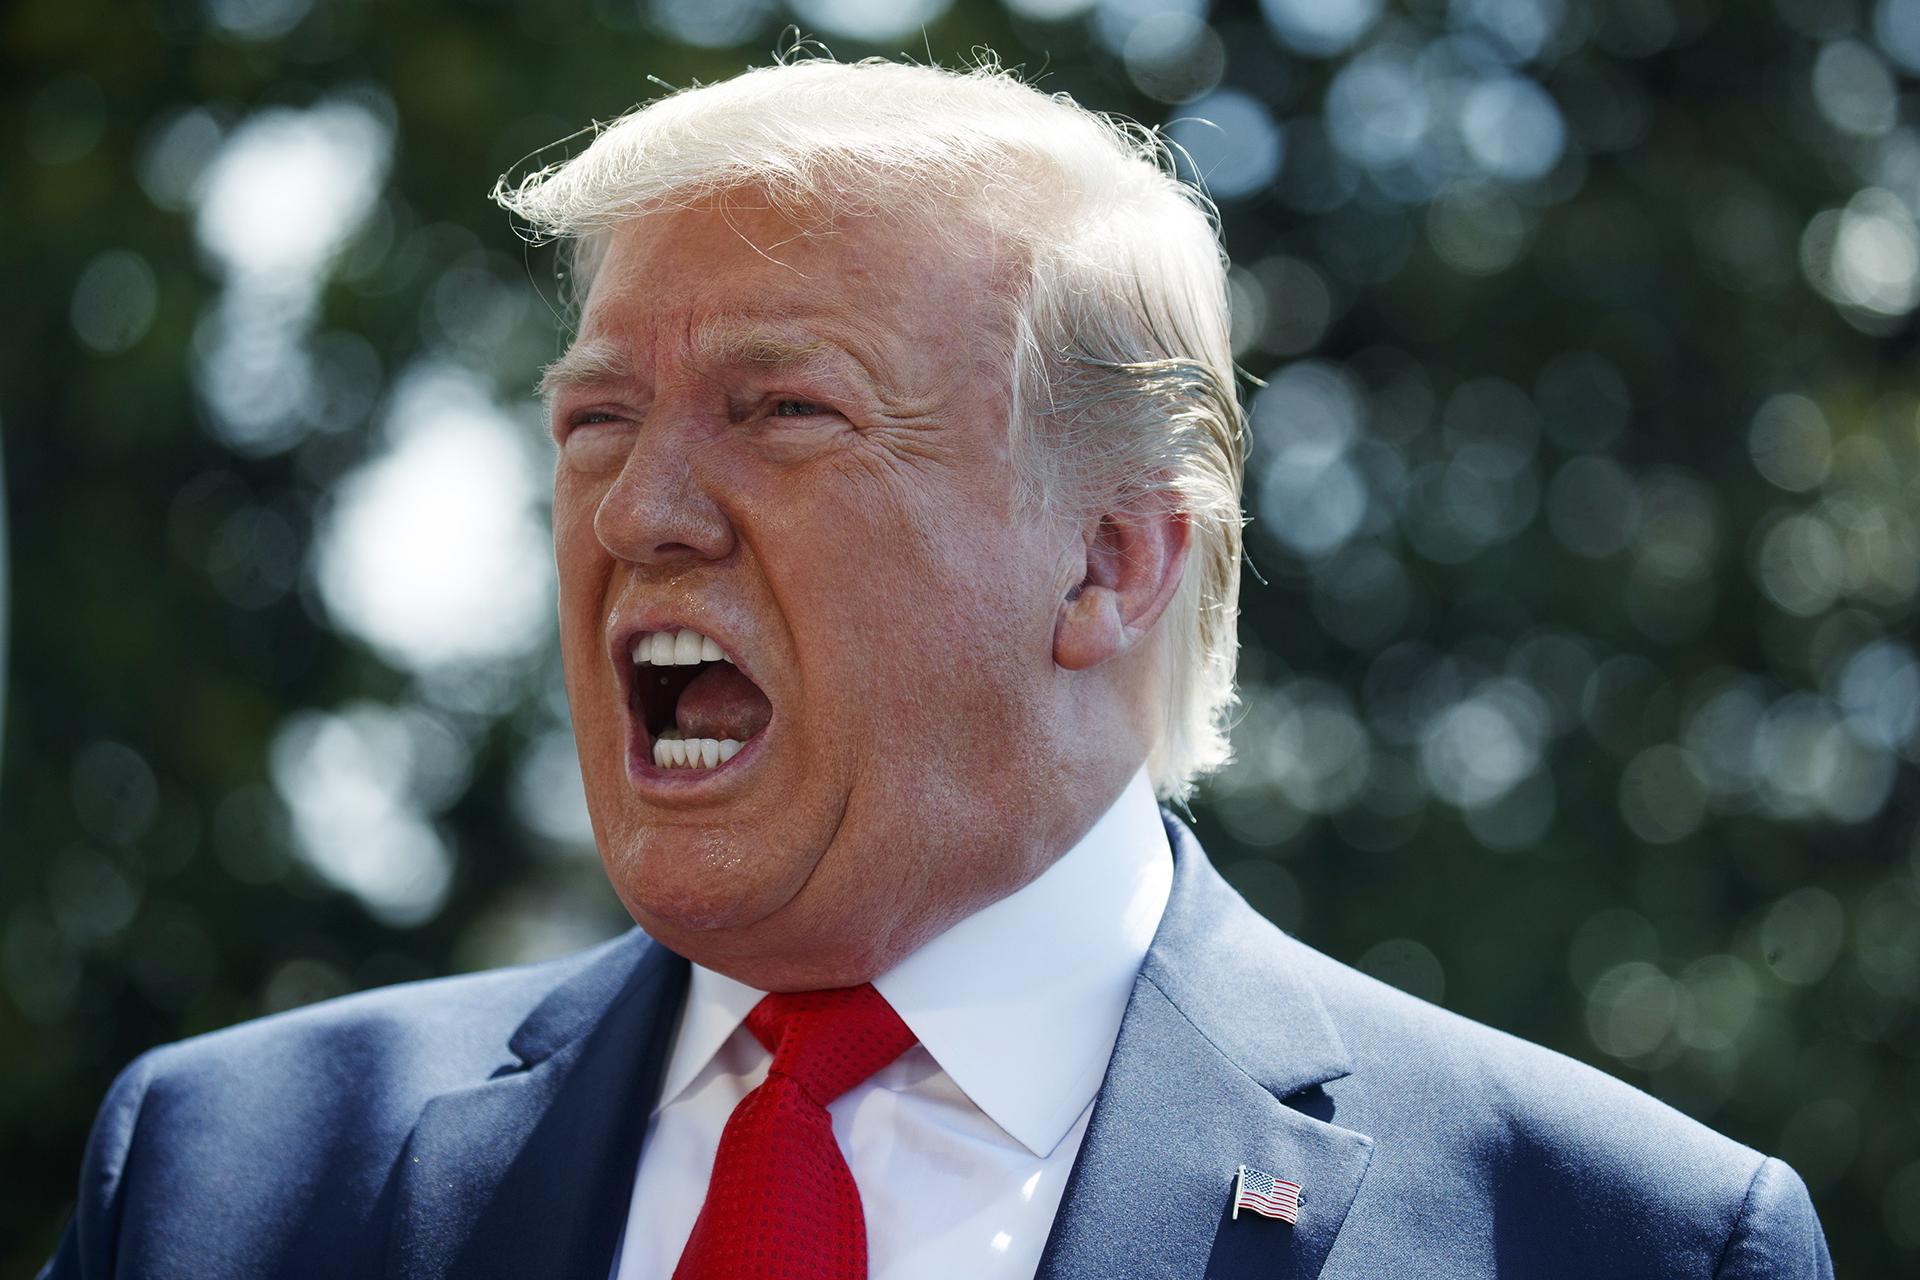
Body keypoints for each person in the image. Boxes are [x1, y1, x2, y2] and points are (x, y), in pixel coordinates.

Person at [44, 58, 1831, 1280]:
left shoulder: (1620, 1238)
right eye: (595, 420)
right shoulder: (219, 1176)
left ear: (1111, 557)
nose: (643, 509)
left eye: (783, 412)